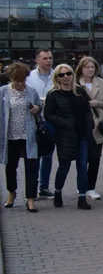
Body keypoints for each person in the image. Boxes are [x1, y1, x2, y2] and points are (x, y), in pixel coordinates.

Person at [45, 64, 95, 210]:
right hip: (65, 136)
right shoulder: (53, 94)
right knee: (64, 166)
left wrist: (90, 123)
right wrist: (64, 123)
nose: (66, 77)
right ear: (57, 78)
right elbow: (48, 115)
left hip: (82, 134)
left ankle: (82, 197)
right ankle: (58, 191)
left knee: (82, 166)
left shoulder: (80, 91)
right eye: (62, 75)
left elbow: (87, 110)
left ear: (73, 74)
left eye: (68, 73)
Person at [1, 62, 42, 213]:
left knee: (31, 168)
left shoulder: (31, 91)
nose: (19, 84)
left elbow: (39, 107)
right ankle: (11, 193)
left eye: (22, 81)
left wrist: (37, 109)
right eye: (15, 80)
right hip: (10, 136)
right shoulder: (3, 92)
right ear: (11, 78)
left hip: (28, 135)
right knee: (10, 167)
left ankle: (30, 199)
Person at [75, 57, 103, 201]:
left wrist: (95, 103)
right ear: (81, 68)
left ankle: (91, 187)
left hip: (97, 125)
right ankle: (82, 186)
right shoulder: (76, 83)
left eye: (92, 67)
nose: (90, 70)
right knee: (82, 159)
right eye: (87, 67)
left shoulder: (101, 83)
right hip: (82, 125)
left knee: (95, 158)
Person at [26, 49, 55, 198]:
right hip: (33, 120)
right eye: (45, 58)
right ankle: (32, 186)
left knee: (48, 154)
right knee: (33, 155)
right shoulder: (29, 77)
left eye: (50, 58)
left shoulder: (58, 75)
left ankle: (44, 186)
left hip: (50, 120)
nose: (48, 61)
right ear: (37, 60)